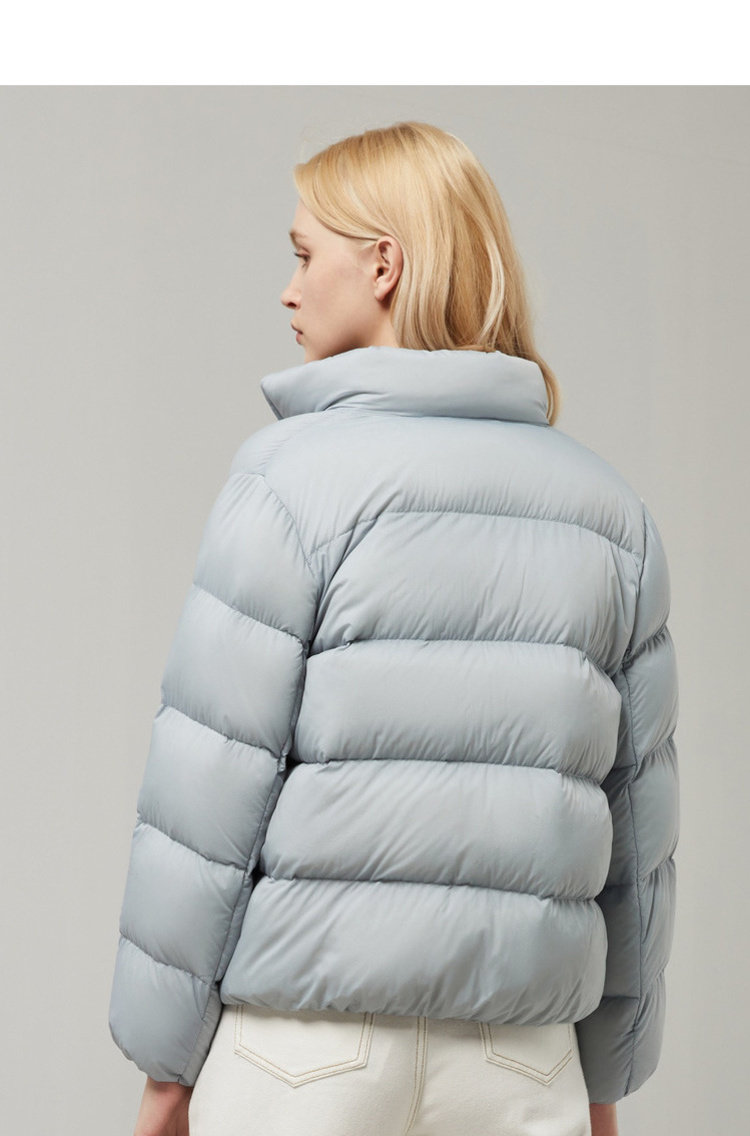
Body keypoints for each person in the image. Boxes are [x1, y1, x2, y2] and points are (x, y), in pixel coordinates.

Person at [108, 121, 679, 1136]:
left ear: (384, 263)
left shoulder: (287, 484)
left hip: (305, 1051)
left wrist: (164, 1067)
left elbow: (206, 797)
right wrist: (605, 1081)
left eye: (303, 254)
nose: (288, 290)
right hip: (522, 1055)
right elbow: (639, 838)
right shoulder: (613, 516)